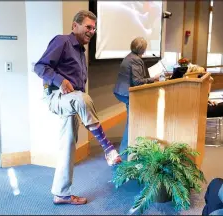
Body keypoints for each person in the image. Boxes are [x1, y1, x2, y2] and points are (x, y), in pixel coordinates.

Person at [34, 10, 122, 205]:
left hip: (72, 102)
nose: (91, 31)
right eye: (88, 27)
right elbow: (40, 67)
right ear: (75, 26)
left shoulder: (82, 53)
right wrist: (60, 80)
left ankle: (61, 193)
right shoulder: (62, 41)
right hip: (56, 97)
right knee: (82, 99)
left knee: (67, 147)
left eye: (94, 28)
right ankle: (108, 149)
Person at [113, 37, 160, 160]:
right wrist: (153, 79)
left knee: (132, 122)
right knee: (132, 124)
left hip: (122, 92)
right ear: (143, 49)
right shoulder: (136, 60)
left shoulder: (129, 56)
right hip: (128, 94)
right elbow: (138, 81)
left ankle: (129, 153)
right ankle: (124, 155)